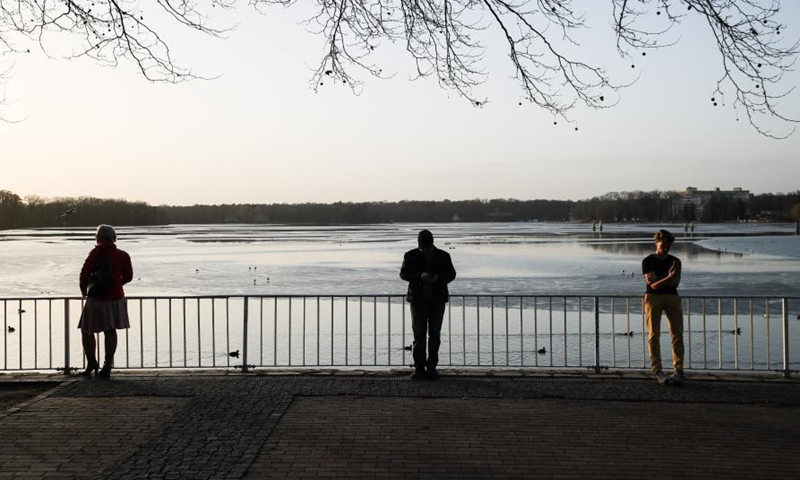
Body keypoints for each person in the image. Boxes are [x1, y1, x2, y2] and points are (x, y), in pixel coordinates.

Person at [78, 224, 133, 379]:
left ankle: (91, 363)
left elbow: (84, 273)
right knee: (110, 330)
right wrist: (116, 285)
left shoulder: (95, 253)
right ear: (113, 238)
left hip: (96, 298)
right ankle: (107, 364)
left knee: (87, 330)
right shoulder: (123, 255)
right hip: (116, 298)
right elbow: (128, 277)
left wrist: (84, 291)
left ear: (99, 237)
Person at [400, 229, 456, 380]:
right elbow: (404, 274)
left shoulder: (443, 256)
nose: (423, 248)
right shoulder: (411, 255)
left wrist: (437, 278)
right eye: (422, 244)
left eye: (425, 244)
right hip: (419, 301)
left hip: (434, 301)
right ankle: (421, 368)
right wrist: (419, 276)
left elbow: (451, 274)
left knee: (433, 336)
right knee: (421, 336)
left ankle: (429, 368)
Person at [642, 229, 685, 386]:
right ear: (656, 242)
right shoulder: (648, 261)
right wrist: (668, 277)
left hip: (673, 297)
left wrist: (662, 280)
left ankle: (678, 371)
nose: (667, 247)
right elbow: (653, 286)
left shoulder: (676, 261)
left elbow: (675, 284)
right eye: (664, 244)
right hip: (653, 298)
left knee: (677, 334)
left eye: (669, 245)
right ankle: (658, 371)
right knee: (654, 335)